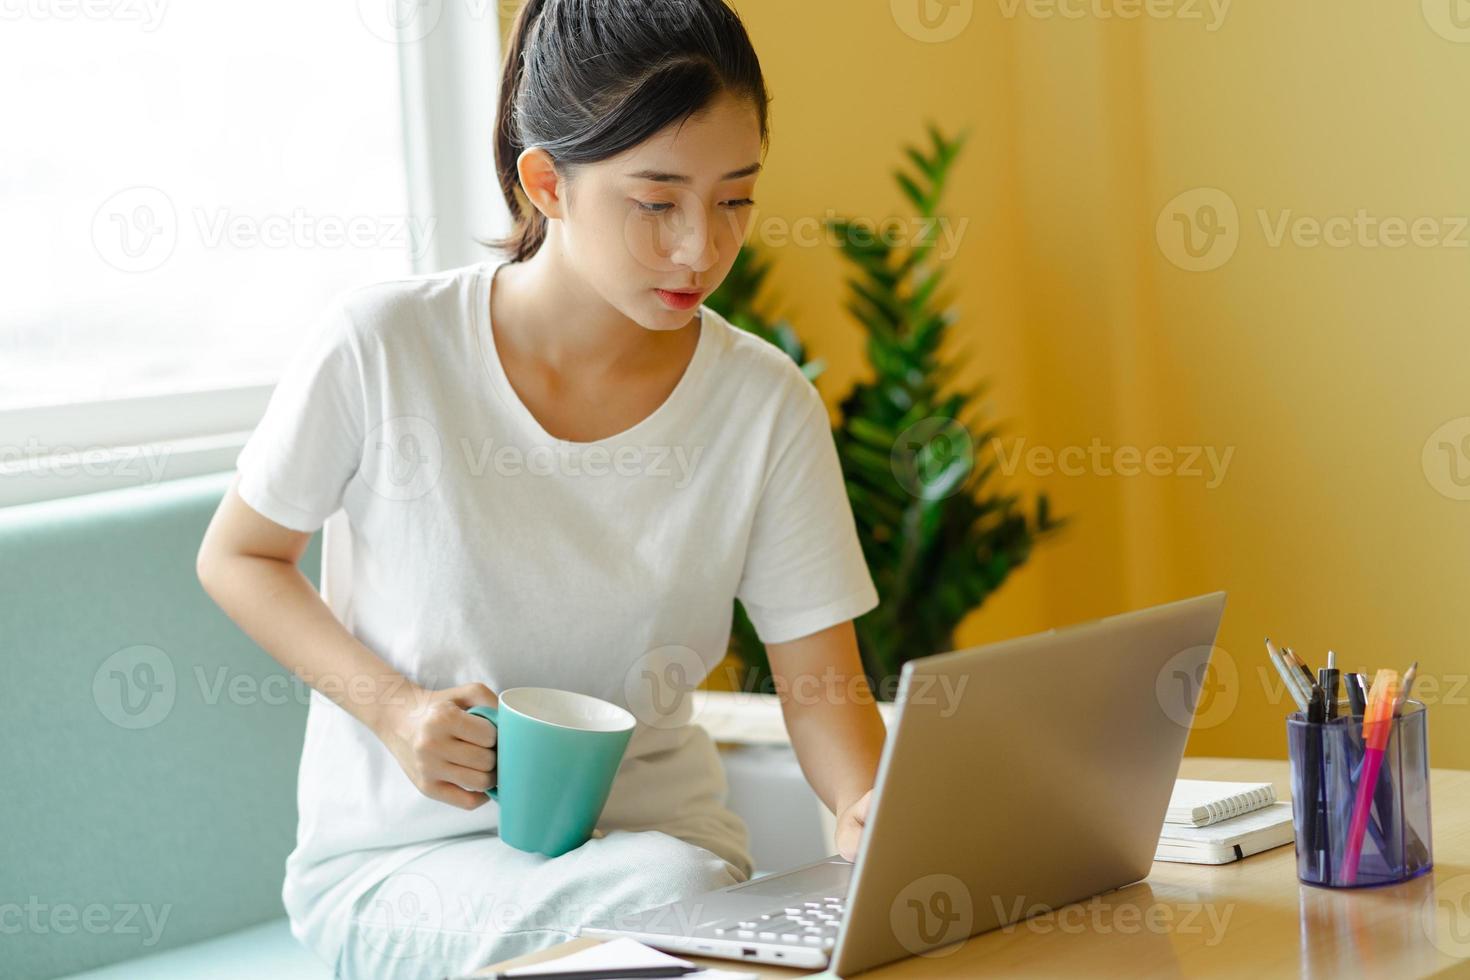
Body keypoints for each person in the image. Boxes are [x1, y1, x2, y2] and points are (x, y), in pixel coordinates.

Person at [196, 0, 886, 976]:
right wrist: (395, 709)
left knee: (693, 903)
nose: (702, 246)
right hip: (407, 871)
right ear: (546, 182)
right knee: (682, 906)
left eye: (735, 198)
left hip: (675, 867)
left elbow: (821, 682)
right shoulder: (384, 346)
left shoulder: (763, 403)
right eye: (657, 201)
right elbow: (239, 554)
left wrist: (868, 815)